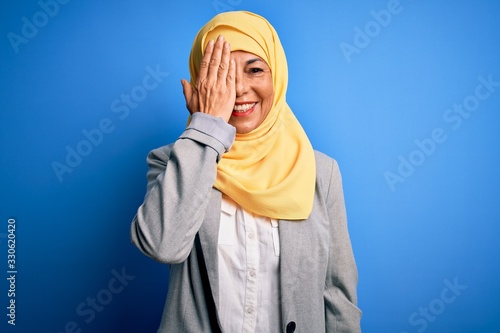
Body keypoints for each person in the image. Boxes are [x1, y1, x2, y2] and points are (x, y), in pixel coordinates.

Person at [131, 11, 361, 333]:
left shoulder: (321, 173)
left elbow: (338, 296)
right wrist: (207, 129)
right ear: (202, 83)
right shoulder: (173, 162)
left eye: (254, 70)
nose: (239, 89)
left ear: (276, 76)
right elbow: (162, 245)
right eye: (221, 75)